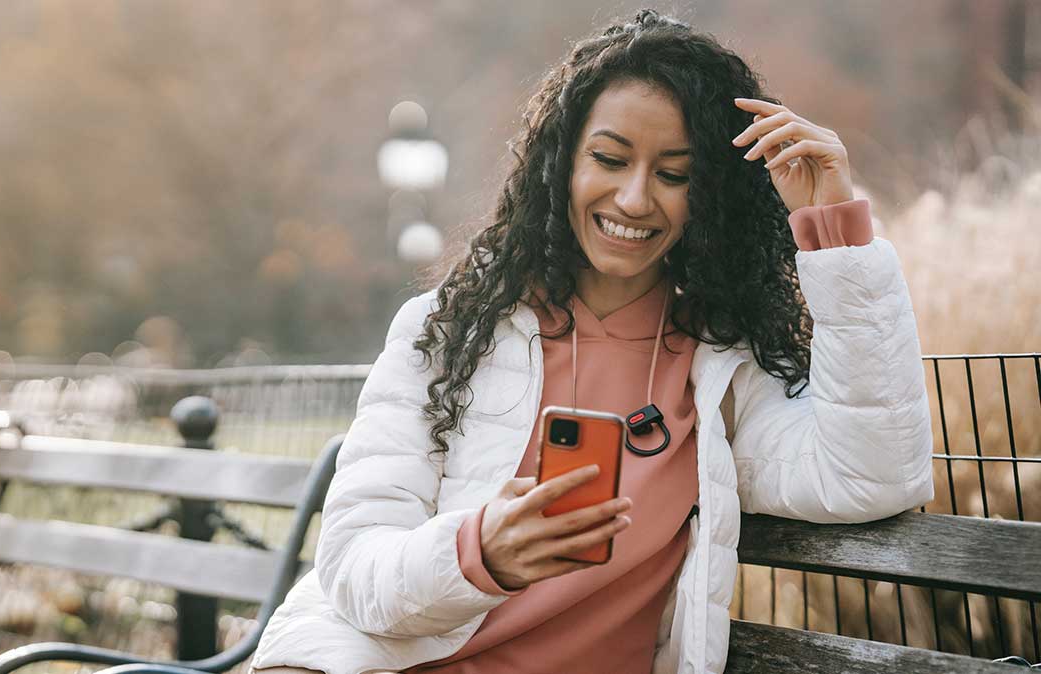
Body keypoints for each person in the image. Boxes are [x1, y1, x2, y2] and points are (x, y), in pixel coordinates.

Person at [249, 9, 933, 674]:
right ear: (561, 164)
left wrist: (834, 232)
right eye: (609, 159)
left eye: (673, 174)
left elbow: (869, 476)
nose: (634, 199)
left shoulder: (722, 370)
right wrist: (477, 553)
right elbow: (354, 564)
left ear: (711, 195)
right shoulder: (450, 328)